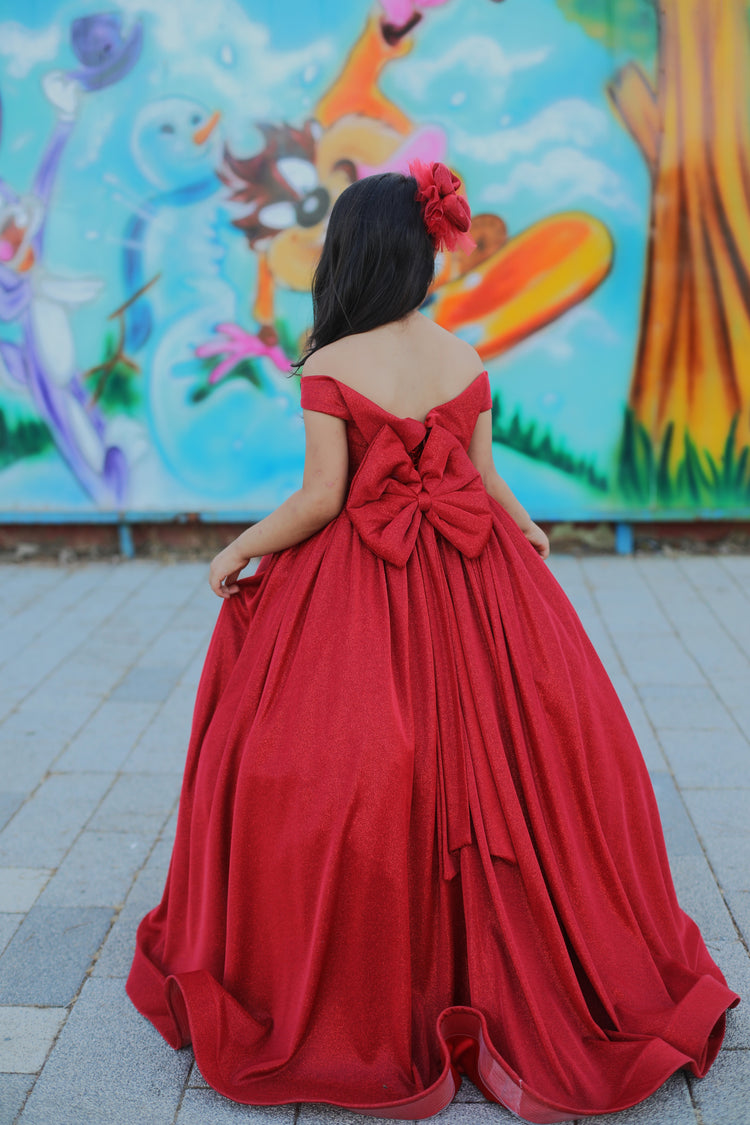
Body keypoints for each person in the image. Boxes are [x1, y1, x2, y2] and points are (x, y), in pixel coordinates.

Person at [126, 161, 739, 1122]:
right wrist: (527, 531)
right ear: (422, 256)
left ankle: (374, 974)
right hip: (478, 576)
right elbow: (486, 478)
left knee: (342, 754)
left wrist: (239, 547)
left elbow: (324, 498)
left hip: (363, 587)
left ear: (350, 257)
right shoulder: (464, 359)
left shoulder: (330, 367)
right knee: (520, 758)